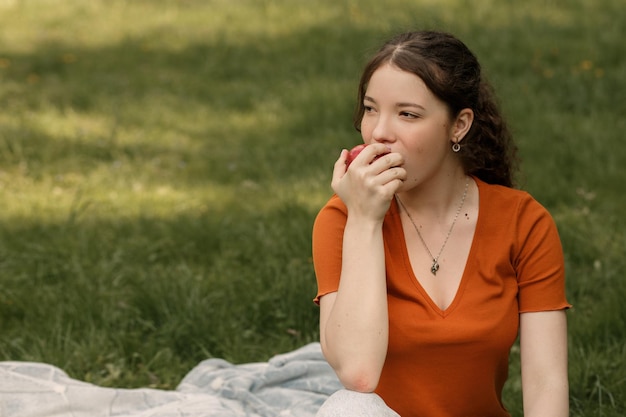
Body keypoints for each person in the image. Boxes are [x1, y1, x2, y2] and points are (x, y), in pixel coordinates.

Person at [312, 30, 571, 417]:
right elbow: (358, 374)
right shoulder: (342, 219)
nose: (379, 131)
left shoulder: (524, 222)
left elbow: (545, 382)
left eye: (407, 114)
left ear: (459, 125)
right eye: (370, 109)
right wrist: (365, 221)